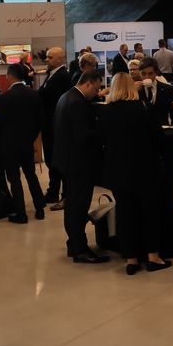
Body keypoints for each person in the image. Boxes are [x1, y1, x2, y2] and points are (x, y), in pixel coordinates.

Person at [98, 73, 172, 275]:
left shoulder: (105, 112)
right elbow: (159, 139)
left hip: (117, 170)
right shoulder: (143, 109)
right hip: (144, 169)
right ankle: (153, 256)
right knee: (149, 212)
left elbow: (101, 140)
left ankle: (131, 258)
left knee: (125, 213)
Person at [54, 70, 108, 263]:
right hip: (79, 162)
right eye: (96, 88)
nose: (97, 92)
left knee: (72, 205)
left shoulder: (66, 97)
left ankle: (74, 244)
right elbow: (83, 135)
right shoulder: (77, 102)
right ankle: (80, 249)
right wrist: (103, 132)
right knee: (78, 205)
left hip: (67, 161)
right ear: (88, 83)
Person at [0, 63, 45, 224]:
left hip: (9, 144)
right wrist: (31, 137)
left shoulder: (5, 97)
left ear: (9, 75)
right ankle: (40, 208)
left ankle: (21, 213)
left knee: (14, 178)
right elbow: (40, 120)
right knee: (31, 175)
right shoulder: (34, 94)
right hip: (27, 143)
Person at [39, 46, 71, 209]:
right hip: (49, 123)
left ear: (60, 59)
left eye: (50, 57)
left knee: (58, 159)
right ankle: (53, 192)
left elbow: (46, 96)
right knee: (52, 160)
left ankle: (65, 195)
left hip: (56, 124)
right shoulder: (51, 74)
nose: (47, 59)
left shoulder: (62, 76)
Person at [137, 58, 173, 126]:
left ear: (156, 73)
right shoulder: (135, 90)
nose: (147, 77)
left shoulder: (167, 89)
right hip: (141, 128)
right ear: (139, 73)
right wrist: (134, 91)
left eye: (150, 73)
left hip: (162, 128)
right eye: (143, 74)